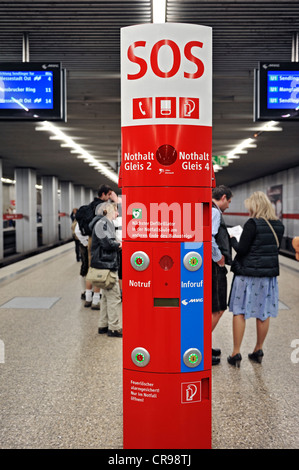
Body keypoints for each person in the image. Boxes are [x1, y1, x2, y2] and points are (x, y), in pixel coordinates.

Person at [227, 191, 285, 367]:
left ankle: (236, 353)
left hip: (247, 276)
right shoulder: (279, 225)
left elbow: (242, 249)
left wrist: (233, 239)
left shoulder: (252, 224)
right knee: (263, 312)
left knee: (239, 311)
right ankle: (258, 349)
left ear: (255, 206)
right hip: (267, 278)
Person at [89, 201, 122, 337]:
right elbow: (107, 243)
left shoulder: (101, 223)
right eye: (115, 211)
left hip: (103, 263)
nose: (117, 213)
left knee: (106, 297)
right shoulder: (103, 224)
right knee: (114, 297)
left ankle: (103, 325)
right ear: (109, 211)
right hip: (106, 264)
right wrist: (119, 245)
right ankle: (114, 328)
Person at [212, 185, 234, 365]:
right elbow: (210, 237)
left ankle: (203, 343)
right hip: (214, 267)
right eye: (229, 201)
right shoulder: (215, 212)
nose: (229, 205)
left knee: (213, 308)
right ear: (224, 197)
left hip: (209, 266)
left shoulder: (210, 209)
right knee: (218, 308)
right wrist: (218, 257)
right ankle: (201, 345)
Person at [84, 184, 113, 308]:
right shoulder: (102, 207)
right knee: (98, 267)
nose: (110, 197)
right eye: (109, 194)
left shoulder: (89, 206)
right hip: (99, 238)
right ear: (103, 194)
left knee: (91, 268)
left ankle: (88, 298)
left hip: (91, 238)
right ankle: (96, 300)